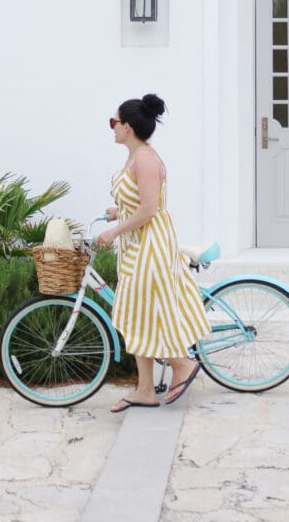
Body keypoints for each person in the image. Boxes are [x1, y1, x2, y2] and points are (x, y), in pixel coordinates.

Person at [95, 93, 210, 413]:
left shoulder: (145, 158)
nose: (112, 127)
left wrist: (114, 231)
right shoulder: (134, 157)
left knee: (147, 311)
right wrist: (117, 212)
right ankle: (145, 389)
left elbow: (149, 209)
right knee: (135, 314)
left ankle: (181, 364)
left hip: (151, 244)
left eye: (113, 122)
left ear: (128, 126)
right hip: (136, 245)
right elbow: (139, 203)